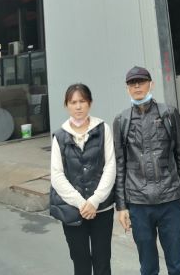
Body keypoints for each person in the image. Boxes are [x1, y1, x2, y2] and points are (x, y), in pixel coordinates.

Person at [113, 66, 180, 275]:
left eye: (142, 81)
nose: (137, 86)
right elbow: (120, 164)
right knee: (148, 267)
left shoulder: (169, 113)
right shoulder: (121, 120)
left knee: (177, 265)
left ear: (151, 84)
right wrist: (122, 206)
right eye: (132, 83)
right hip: (138, 204)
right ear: (127, 88)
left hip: (170, 200)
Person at [50, 83, 116, 275]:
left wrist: (95, 201)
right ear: (66, 105)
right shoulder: (59, 136)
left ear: (90, 103)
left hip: (101, 208)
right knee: (81, 263)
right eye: (73, 102)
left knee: (103, 261)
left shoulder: (103, 129)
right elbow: (57, 175)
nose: (78, 106)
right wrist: (81, 203)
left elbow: (110, 166)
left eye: (82, 101)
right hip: (72, 210)